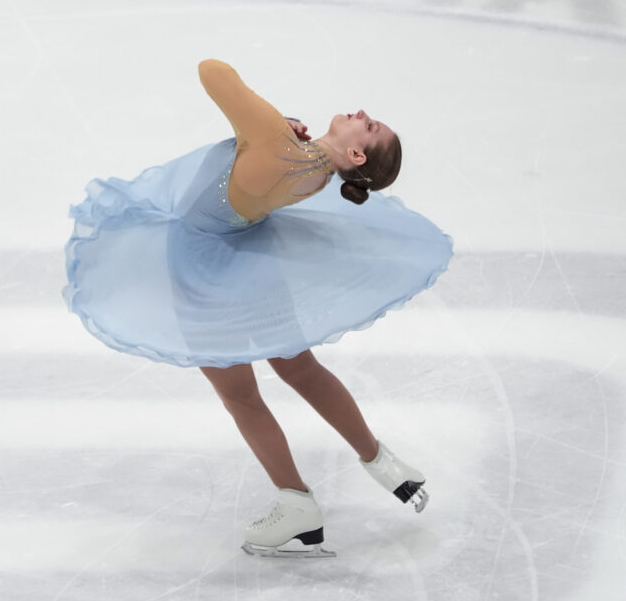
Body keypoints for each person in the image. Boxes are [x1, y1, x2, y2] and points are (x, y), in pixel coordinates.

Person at [63, 59, 453, 558]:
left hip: (204, 266)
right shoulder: (318, 173)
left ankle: (297, 508)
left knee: (242, 396)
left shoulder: (276, 141)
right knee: (302, 370)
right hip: (250, 255)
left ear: (355, 152)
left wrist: (271, 123)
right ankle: (383, 463)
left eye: (369, 124)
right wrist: (275, 129)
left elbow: (212, 71)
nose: (361, 112)